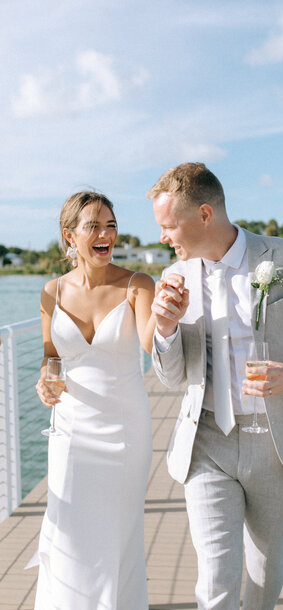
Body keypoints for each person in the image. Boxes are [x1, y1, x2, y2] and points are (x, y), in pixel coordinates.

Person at [148, 162, 283, 610]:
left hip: (274, 445)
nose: (162, 237)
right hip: (207, 442)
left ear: (203, 215)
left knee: (262, 566)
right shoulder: (175, 280)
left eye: (167, 225)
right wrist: (164, 329)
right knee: (216, 574)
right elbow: (172, 376)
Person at [34, 191, 155, 610]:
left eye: (111, 225)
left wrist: (171, 315)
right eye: (93, 226)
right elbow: (52, 358)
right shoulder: (51, 291)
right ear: (71, 236)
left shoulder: (138, 285)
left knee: (117, 532)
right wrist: (46, 382)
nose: (106, 234)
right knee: (68, 526)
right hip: (70, 430)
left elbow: (150, 342)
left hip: (124, 430)